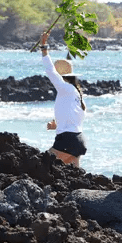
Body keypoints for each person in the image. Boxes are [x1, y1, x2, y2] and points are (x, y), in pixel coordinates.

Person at [39, 31, 87, 167]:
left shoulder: (65, 88)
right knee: (74, 180)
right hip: (78, 140)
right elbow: (75, 118)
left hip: (67, 140)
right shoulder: (76, 93)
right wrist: (58, 125)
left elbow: (50, 70)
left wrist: (44, 47)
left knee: (41, 165)